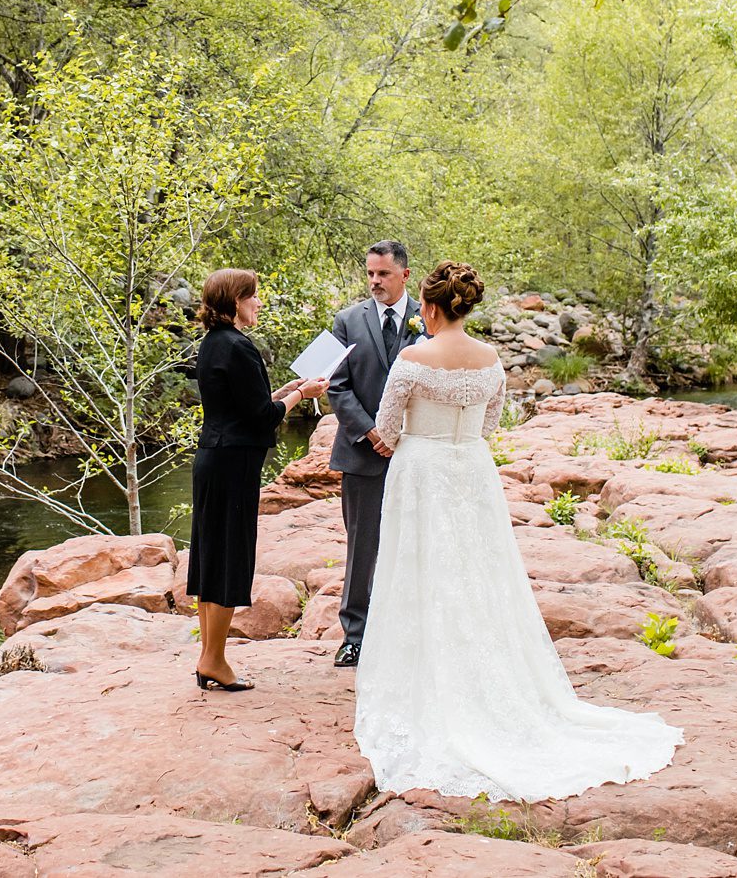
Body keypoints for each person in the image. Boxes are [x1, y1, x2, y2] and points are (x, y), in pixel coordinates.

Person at [353, 260, 684, 798]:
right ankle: (492, 682)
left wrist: (392, 440)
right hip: (472, 475)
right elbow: (488, 426)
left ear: (431, 308)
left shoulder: (412, 359)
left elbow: (386, 430)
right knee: (481, 574)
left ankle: (429, 684)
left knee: (420, 569)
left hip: (423, 473)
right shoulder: (492, 360)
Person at [189, 268, 328, 692]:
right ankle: (214, 660)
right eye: (253, 296)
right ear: (234, 302)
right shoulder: (240, 346)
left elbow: (238, 408)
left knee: (212, 557)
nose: (259, 303)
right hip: (233, 466)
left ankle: (208, 657)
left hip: (212, 458)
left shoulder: (212, 344)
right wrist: (302, 396)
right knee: (230, 559)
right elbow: (260, 419)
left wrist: (282, 391)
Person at [323, 240, 424, 667]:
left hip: (415, 450)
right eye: (369, 274)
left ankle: (410, 631)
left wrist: (398, 433)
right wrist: (371, 431)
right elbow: (334, 383)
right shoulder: (346, 321)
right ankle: (356, 636)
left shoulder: (431, 318)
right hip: (362, 451)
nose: (374, 282)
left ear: (404, 274)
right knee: (362, 546)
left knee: (417, 541)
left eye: (382, 274)